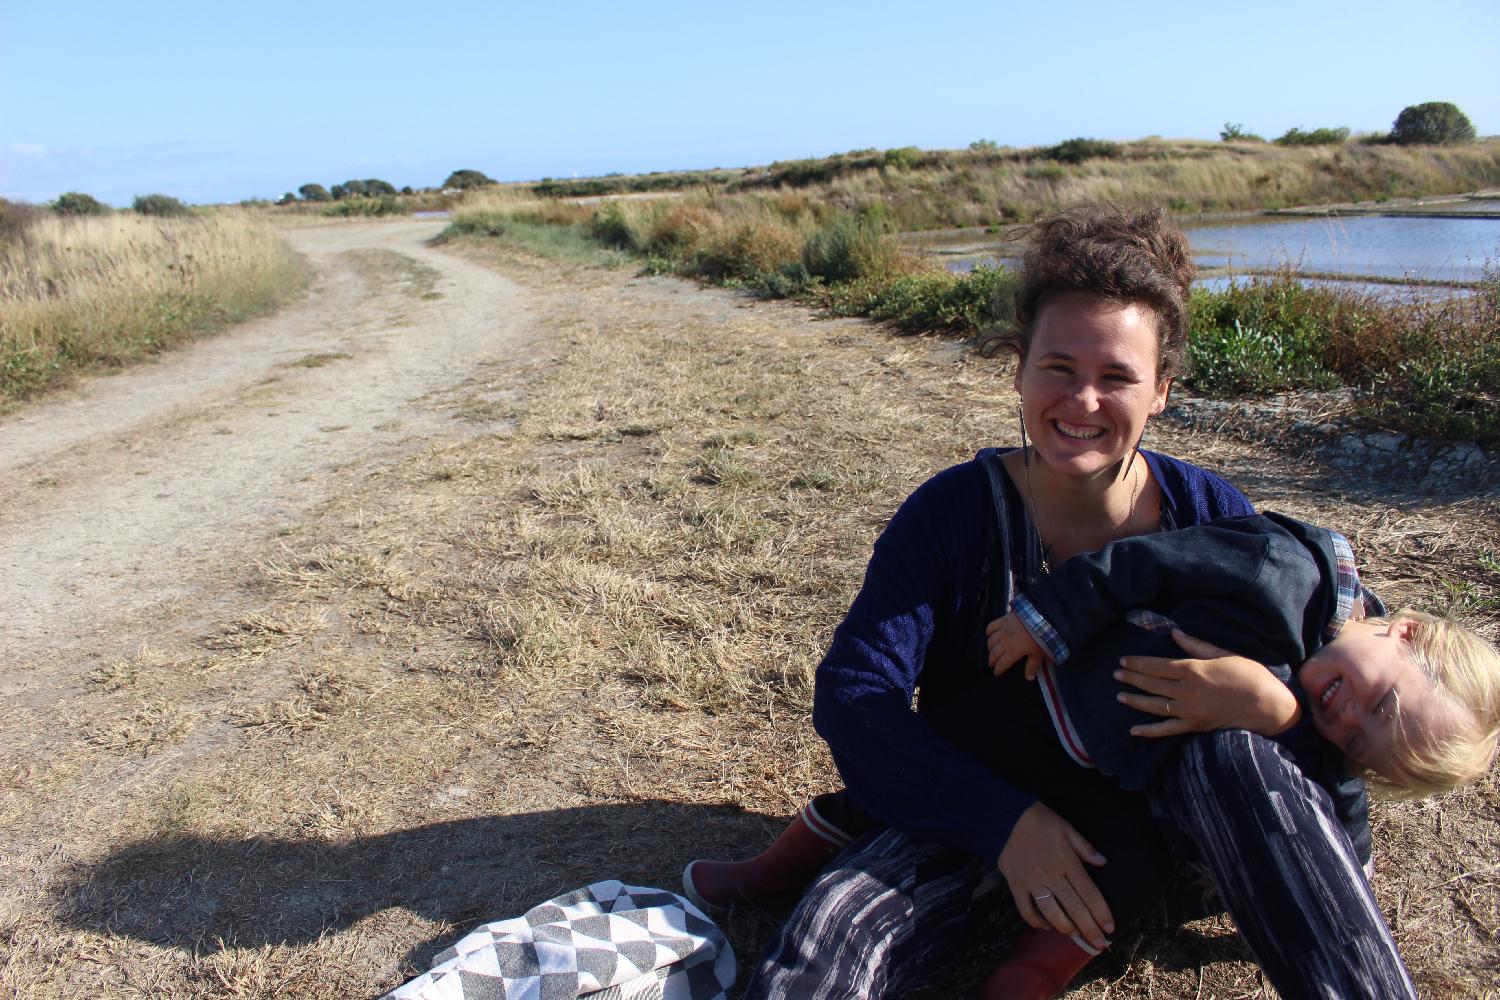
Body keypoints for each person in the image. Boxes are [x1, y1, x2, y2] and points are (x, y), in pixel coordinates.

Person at [685, 205, 1421, 999]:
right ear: (1019, 371)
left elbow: (1334, 731)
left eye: (1117, 377)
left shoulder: (1215, 517)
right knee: (836, 933)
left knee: (1231, 747)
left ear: (1164, 391)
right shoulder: (951, 514)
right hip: (981, 790)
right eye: (1059, 368)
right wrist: (1004, 825)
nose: (1083, 402)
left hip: (1164, 823)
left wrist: (1274, 709)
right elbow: (858, 694)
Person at [985, 511, 1500, 799]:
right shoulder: (1282, 571)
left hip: (1112, 773)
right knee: (973, 732)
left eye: (1362, 743)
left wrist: (1283, 716)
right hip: (1055, 684)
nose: (1349, 718)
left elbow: (1339, 784)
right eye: (1382, 703)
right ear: (1406, 634)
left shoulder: (1322, 713)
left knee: (1120, 879)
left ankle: (1049, 956)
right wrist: (1045, 619)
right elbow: (1144, 563)